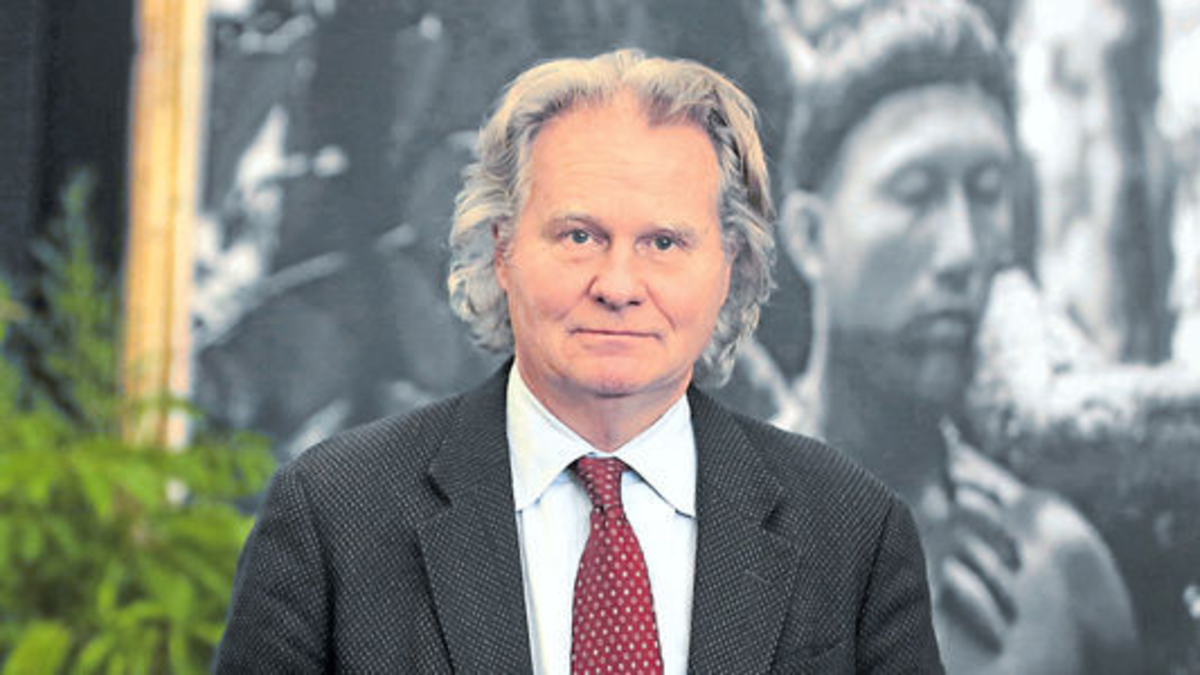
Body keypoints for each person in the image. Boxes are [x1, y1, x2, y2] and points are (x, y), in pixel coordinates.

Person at [214, 49, 942, 673]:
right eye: (579, 237)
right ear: (501, 250)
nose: (618, 286)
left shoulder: (854, 532)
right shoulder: (333, 517)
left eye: (663, 242)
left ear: (730, 266)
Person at [768, 1, 1138, 672]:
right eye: (916, 194)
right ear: (811, 237)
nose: (963, 250)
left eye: (988, 191)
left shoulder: (1058, 572)